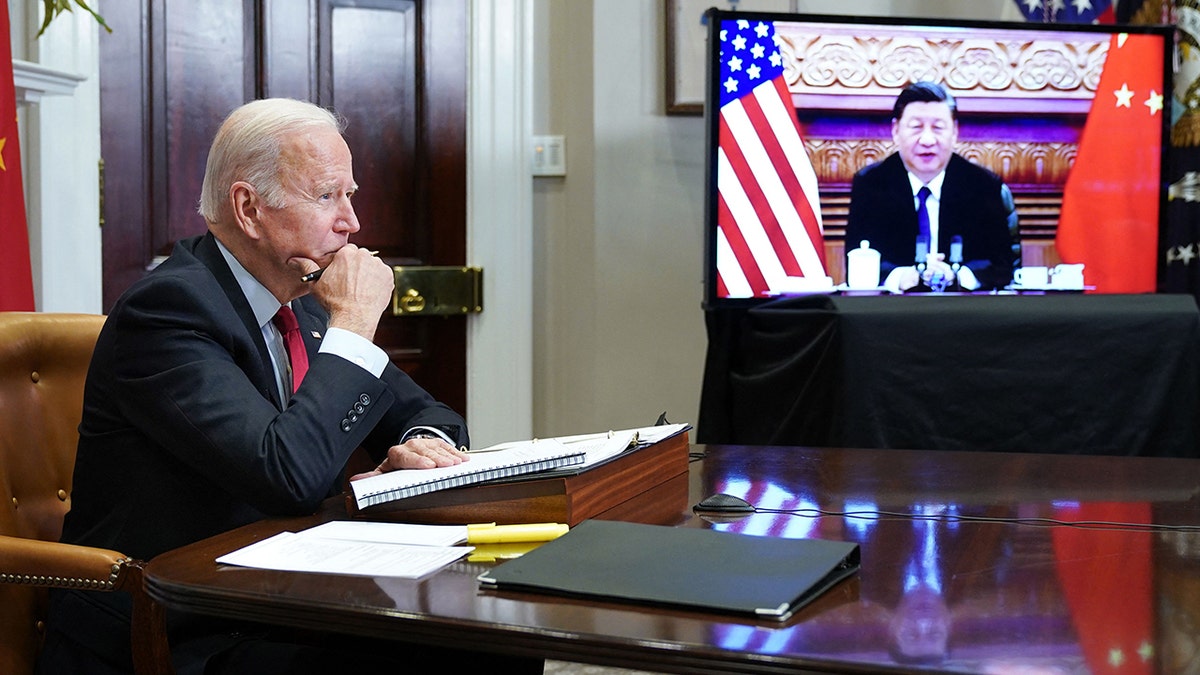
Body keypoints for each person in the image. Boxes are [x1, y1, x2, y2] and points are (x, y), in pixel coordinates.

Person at [38, 99, 537, 674]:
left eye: (350, 196)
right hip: (176, 626)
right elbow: (285, 475)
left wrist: (422, 444)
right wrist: (354, 322)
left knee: (497, 635)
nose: (352, 223)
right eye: (327, 196)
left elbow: (429, 412)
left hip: (278, 594)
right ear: (249, 208)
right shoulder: (168, 312)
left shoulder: (304, 302)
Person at [845, 81, 1017, 292]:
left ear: (954, 132)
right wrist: (901, 276)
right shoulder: (872, 185)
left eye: (938, 128)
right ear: (896, 130)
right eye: (916, 127)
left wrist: (957, 276)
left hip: (966, 313)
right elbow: (859, 261)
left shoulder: (982, 186)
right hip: (894, 313)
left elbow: (1001, 266)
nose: (927, 140)